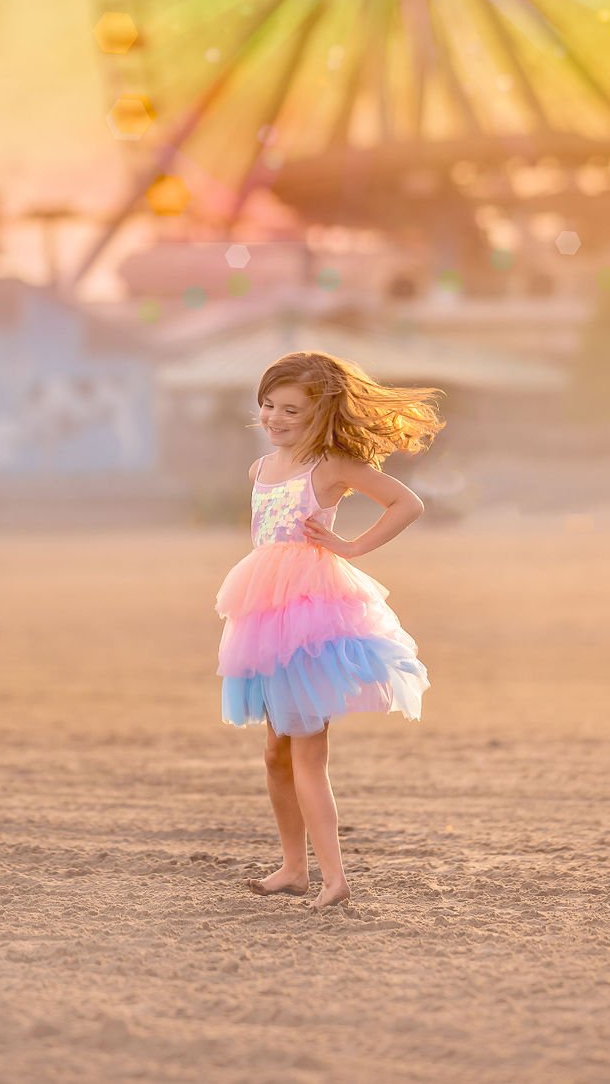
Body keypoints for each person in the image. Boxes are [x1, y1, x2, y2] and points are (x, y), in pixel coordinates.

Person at [215, 349, 446, 910]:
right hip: (263, 619)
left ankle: (334, 878)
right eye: (268, 405)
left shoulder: (330, 468)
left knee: (307, 755)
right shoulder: (260, 469)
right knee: (275, 753)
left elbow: (405, 502)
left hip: (312, 619)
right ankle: (294, 868)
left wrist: (351, 547)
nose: (274, 418)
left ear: (320, 412)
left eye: (291, 410)